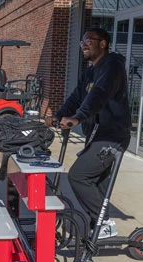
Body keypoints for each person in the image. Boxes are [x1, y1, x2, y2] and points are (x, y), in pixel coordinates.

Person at [49, 27, 132, 239]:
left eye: (88, 40)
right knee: (96, 183)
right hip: (97, 135)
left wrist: (78, 117)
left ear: (103, 43)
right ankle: (100, 227)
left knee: (78, 175)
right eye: (81, 42)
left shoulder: (112, 66)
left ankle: (104, 223)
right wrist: (59, 115)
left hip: (111, 136)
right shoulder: (90, 72)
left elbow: (99, 94)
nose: (84, 45)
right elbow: (77, 97)